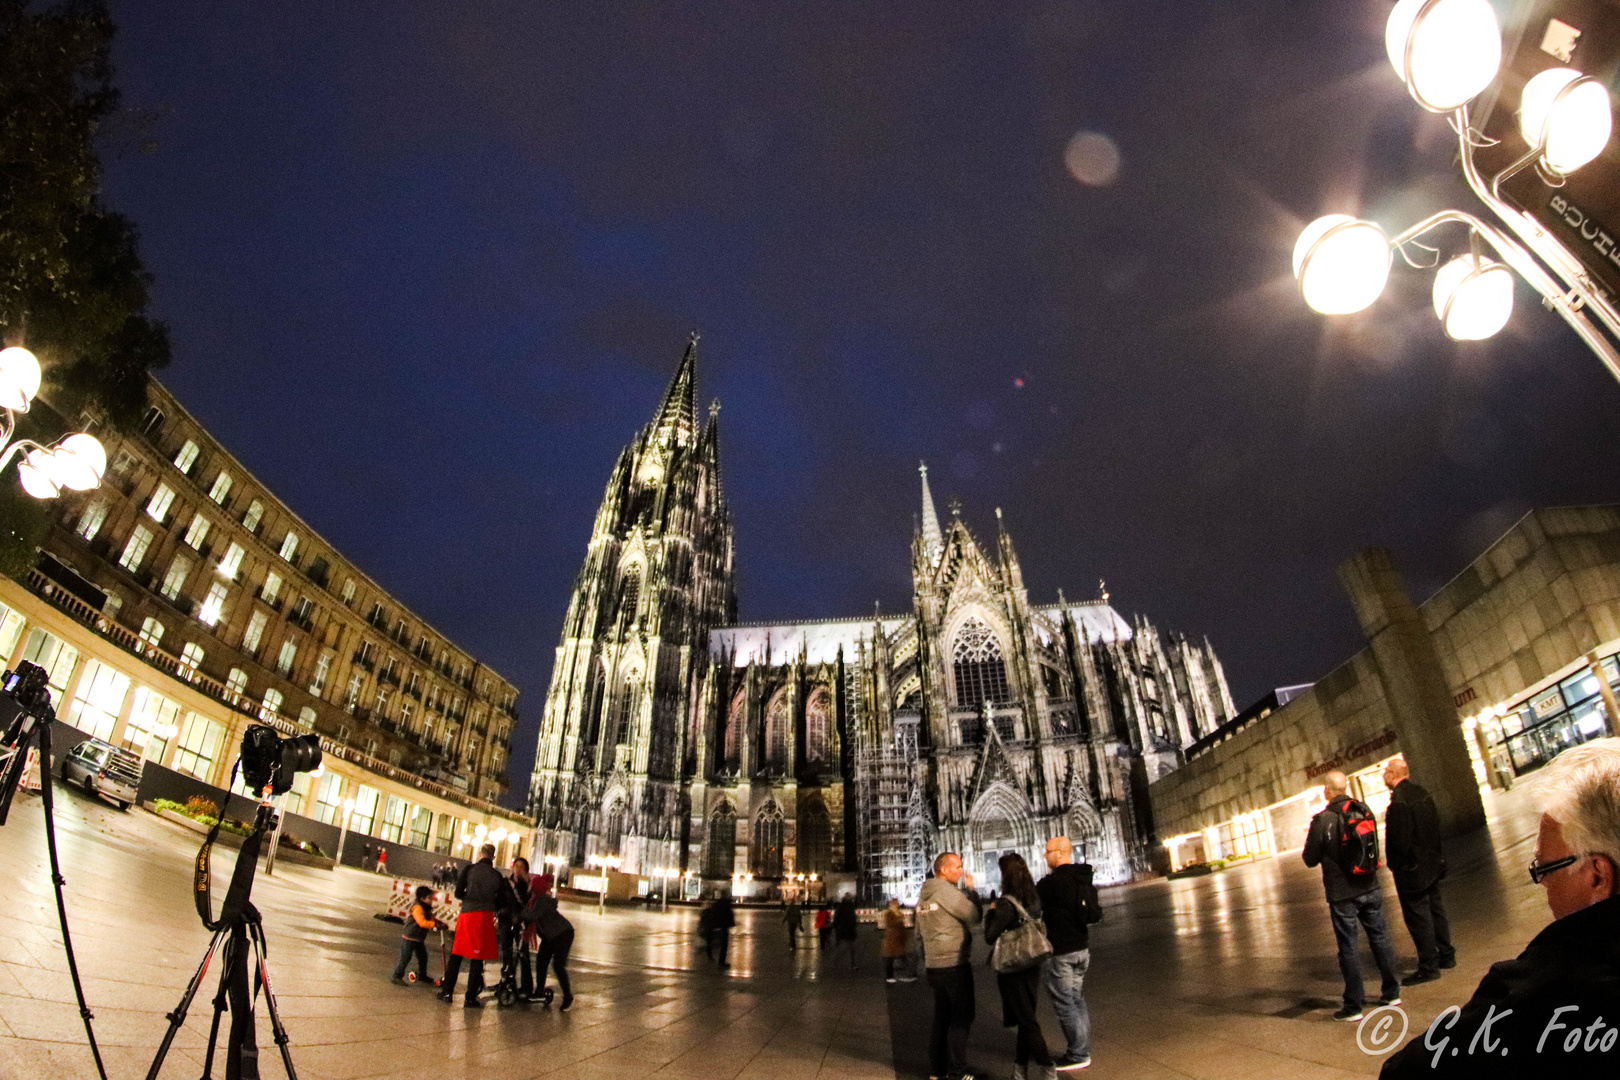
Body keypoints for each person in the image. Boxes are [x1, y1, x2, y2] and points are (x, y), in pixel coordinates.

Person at [1380, 738, 1620, 1077]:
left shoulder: (1540, 994)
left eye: (1544, 868)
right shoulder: (1423, 794)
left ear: (1598, 876)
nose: (1543, 885)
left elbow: (1408, 1070)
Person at [1302, 770, 1401, 1022]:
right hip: (1369, 884)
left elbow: (1309, 859)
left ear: (1327, 790)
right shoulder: (1363, 809)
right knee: (1380, 937)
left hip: (1342, 892)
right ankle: (1391, 992)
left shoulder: (1322, 820)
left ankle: (1354, 1005)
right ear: (1345, 787)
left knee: (1348, 947)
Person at [1381, 755, 1456, 985]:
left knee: (1418, 916)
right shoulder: (1421, 792)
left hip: (1413, 870)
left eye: (1385, 771)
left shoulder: (1400, 801)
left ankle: (1428, 965)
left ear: (1394, 775)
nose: (1383, 775)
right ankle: (1446, 954)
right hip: (1431, 863)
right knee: (1436, 909)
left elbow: (1400, 841)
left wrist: (1396, 864)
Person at [985, 852, 1056, 1080]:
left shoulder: (1006, 904)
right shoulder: (1033, 898)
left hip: (1012, 966)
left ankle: (1048, 1067)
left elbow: (989, 935)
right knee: (1027, 1017)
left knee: (1027, 1021)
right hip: (1031, 963)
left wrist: (991, 912)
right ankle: (1019, 1067)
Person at [1037, 835, 1101, 1071]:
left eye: (1048, 851)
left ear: (1060, 853)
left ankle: (1078, 1053)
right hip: (1082, 948)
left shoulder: (1051, 884)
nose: (1045, 856)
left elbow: (1034, 904)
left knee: (1065, 1003)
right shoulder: (1083, 877)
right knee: (1076, 999)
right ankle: (1082, 1049)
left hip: (1061, 951)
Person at [918, 851, 983, 1080]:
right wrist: (972, 891)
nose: (961, 871)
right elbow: (974, 916)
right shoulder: (946, 892)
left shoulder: (924, 895)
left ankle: (939, 1070)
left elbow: (918, 934)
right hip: (954, 963)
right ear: (943, 870)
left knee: (942, 1017)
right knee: (962, 1016)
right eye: (957, 867)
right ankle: (958, 1071)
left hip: (934, 965)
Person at [438, 843, 513, 1008]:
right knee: (477, 960)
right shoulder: (497, 876)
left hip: (467, 915)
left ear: (481, 853)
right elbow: (501, 901)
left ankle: (447, 992)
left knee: (456, 955)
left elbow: (458, 893)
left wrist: (469, 897)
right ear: (494, 857)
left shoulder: (469, 869)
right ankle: (470, 998)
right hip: (484, 918)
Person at [530, 872, 575, 1010]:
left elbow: (531, 915)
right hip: (550, 936)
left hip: (562, 934)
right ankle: (540, 990)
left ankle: (568, 995)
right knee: (541, 961)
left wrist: (516, 916)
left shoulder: (541, 901)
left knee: (558, 965)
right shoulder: (536, 901)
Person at [390, 885, 442, 985]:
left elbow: (431, 919)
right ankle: (396, 975)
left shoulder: (426, 908)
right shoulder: (418, 908)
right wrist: (434, 924)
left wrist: (439, 923)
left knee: (423, 957)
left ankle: (422, 975)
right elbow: (422, 922)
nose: (431, 900)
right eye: (429, 898)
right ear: (422, 898)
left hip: (418, 938)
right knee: (406, 957)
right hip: (410, 936)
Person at [507, 857, 535, 1000]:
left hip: (523, 924)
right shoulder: (508, 883)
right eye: (515, 866)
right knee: (508, 954)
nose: (517, 869)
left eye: (521, 867)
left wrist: (522, 884)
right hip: (508, 921)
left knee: (523, 955)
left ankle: (527, 987)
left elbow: (528, 903)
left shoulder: (528, 886)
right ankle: (507, 983)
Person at [880, 898, 916, 983]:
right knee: (892, 957)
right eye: (895, 903)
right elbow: (890, 924)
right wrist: (899, 922)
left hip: (897, 939)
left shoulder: (897, 913)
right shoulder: (890, 913)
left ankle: (906, 974)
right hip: (892, 939)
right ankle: (891, 976)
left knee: (897, 957)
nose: (897, 904)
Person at [832, 895, 860, 971]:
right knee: (850, 949)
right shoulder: (850, 908)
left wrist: (836, 928)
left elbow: (836, 920)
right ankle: (851, 964)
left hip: (844, 931)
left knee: (846, 948)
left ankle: (836, 962)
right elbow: (853, 919)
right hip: (849, 931)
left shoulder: (841, 908)